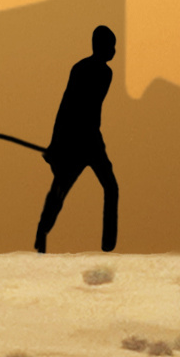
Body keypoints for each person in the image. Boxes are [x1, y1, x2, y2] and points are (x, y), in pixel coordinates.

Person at [36, 22, 122, 254]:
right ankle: (42, 233)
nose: (115, 51)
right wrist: (56, 145)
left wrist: (57, 146)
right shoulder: (93, 71)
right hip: (82, 141)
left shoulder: (98, 72)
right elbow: (67, 107)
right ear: (101, 46)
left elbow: (70, 107)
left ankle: (107, 245)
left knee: (100, 187)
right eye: (112, 46)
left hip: (87, 140)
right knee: (63, 188)